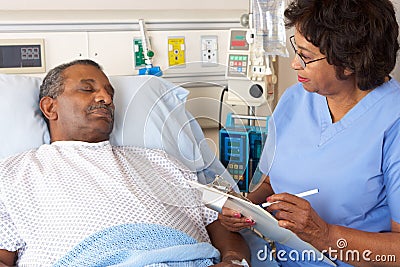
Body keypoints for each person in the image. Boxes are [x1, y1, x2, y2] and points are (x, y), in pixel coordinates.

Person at [0, 59, 250, 266]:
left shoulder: (162, 162)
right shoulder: (15, 174)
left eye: (109, 94)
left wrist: (234, 260)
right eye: (88, 89)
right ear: (49, 107)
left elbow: (220, 221)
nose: (105, 99)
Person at [218, 0, 400, 266]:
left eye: (305, 56)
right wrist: (245, 208)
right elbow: (271, 184)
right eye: (296, 49)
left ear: (349, 62)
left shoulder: (392, 121)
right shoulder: (294, 100)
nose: (294, 64)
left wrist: (326, 236)